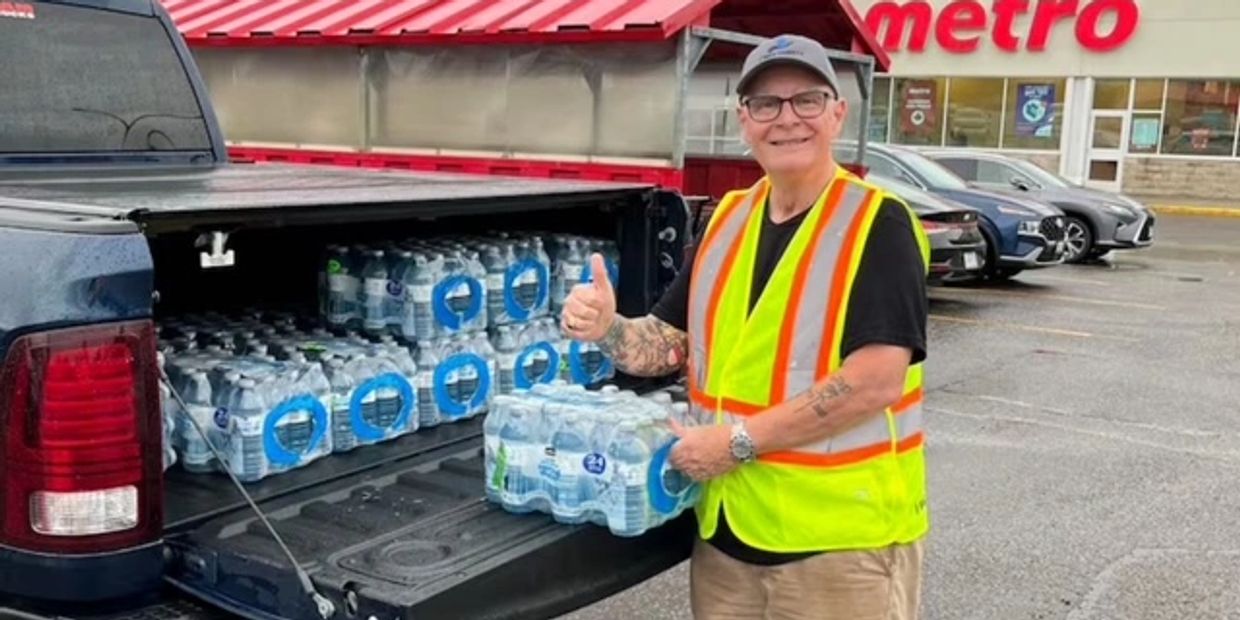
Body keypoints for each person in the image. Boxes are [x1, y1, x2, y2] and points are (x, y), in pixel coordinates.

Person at [561, 34, 930, 620]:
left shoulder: (877, 223)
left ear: (837, 114)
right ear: (744, 121)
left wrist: (735, 443)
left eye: (806, 100)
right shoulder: (729, 218)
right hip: (728, 540)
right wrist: (607, 327)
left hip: (838, 550)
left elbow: (875, 381)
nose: (786, 118)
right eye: (765, 103)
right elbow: (668, 345)